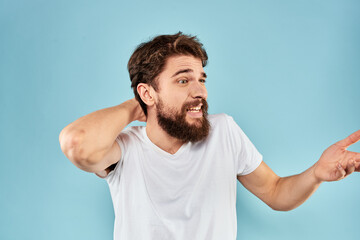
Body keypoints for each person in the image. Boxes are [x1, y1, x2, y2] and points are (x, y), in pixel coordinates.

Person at [59, 32, 360, 240]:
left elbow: (276, 192)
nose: (200, 91)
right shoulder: (125, 149)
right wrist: (132, 108)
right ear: (147, 92)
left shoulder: (224, 132)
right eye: (183, 80)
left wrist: (316, 174)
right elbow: (76, 143)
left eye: (201, 79)